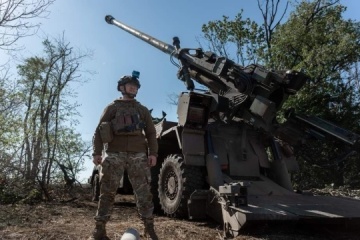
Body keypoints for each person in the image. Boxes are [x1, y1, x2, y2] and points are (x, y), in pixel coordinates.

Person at [89, 71, 159, 240]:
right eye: (130, 86)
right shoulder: (112, 107)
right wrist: (97, 152)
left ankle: (149, 229)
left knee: (143, 193)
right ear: (122, 88)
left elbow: (151, 133)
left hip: (138, 154)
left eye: (135, 86)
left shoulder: (142, 110)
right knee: (107, 191)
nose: (133, 88)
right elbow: (100, 130)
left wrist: (153, 153)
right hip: (114, 153)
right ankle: (99, 230)